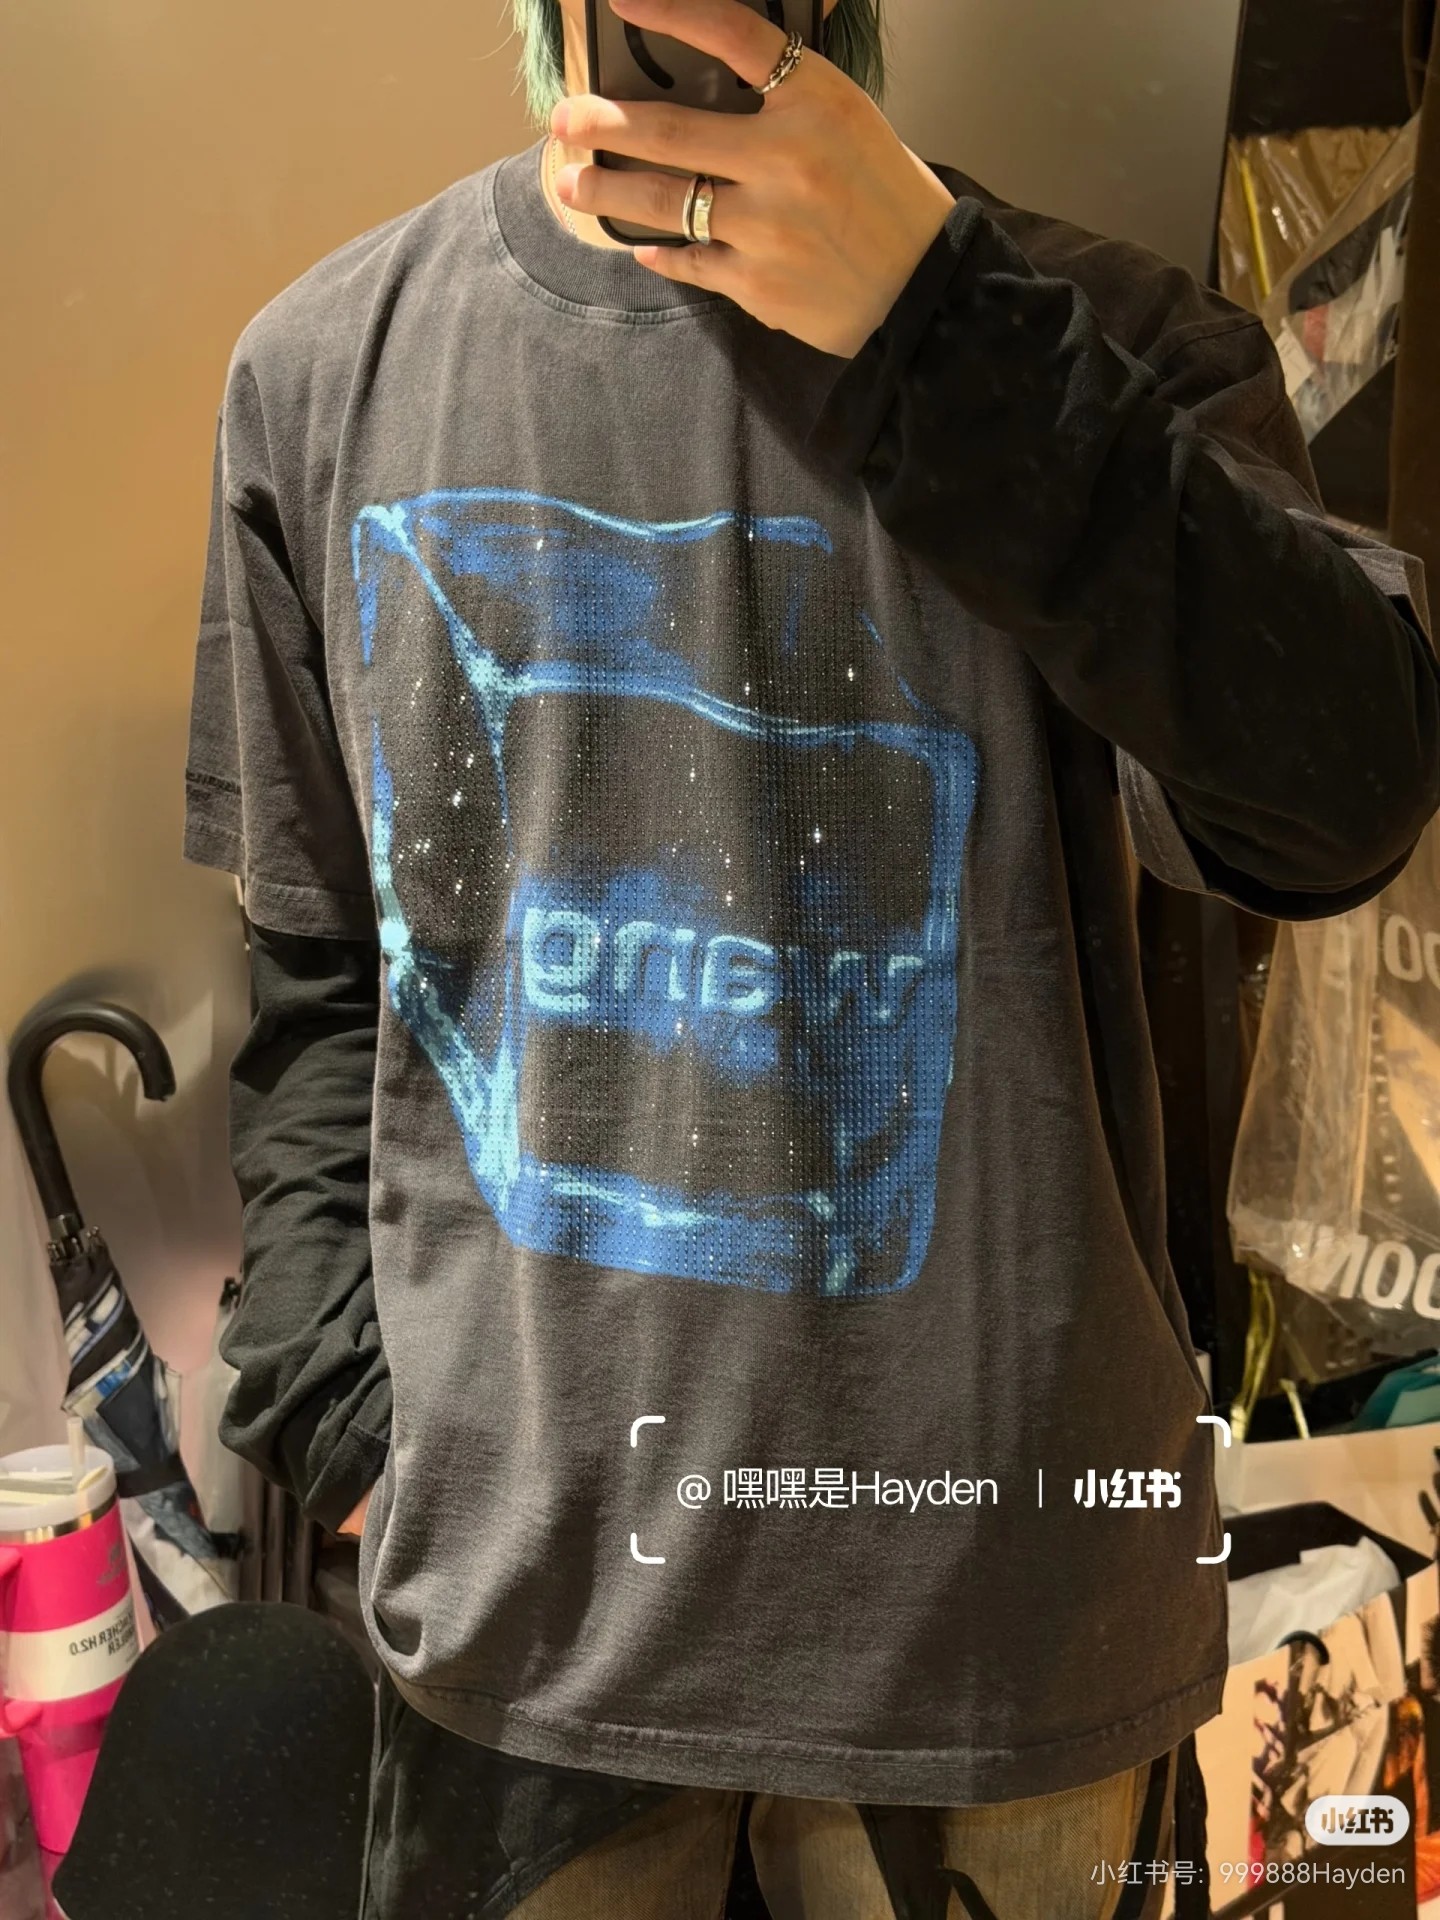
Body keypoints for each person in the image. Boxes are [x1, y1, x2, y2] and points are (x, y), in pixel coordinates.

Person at [181, 0, 1440, 1914]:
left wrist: (935, 322)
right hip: (531, 1633)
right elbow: (319, 981)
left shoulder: (1109, 347)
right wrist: (347, 1416)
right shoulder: (321, 375)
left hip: (1010, 1631)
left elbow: (1341, 801)